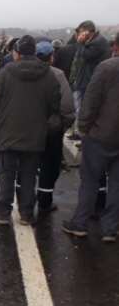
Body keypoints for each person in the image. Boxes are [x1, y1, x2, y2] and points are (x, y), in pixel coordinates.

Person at [0, 35, 61, 226]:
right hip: (35, 132)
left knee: (6, 174)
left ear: (17, 53)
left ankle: (3, 212)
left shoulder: (5, 73)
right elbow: (55, 105)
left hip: (6, 131)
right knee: (29, 175)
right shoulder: (48, 74)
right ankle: (27, 214)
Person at [63, 33, 119, 242]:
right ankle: (110, 229)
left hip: (100, 134)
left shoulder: (107, 68)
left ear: (116, 47)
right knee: (116, 184)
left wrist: (84, 128)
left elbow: (91, 101)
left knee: (90, 181)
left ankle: (80, 224)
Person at [34, 42, 75, 212]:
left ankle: (25, 204)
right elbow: (66, 104)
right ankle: (44, 202)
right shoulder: (57, 75)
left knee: (28, 166)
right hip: (52, 130)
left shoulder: (24, 73)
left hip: (28, 129)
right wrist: (66, 124)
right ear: (51, 56)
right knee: (50, 168)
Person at [67, 21, 111, 141]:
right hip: (86, 79)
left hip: (90, 80)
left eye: (81, 32)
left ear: (87, 31)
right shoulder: (95, 41)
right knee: (81, 107)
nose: (79, 35)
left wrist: (80, 43)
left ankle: (83, 135)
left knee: (84, 108)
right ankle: (80, 133)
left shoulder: (98, 42)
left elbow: (86, 55)